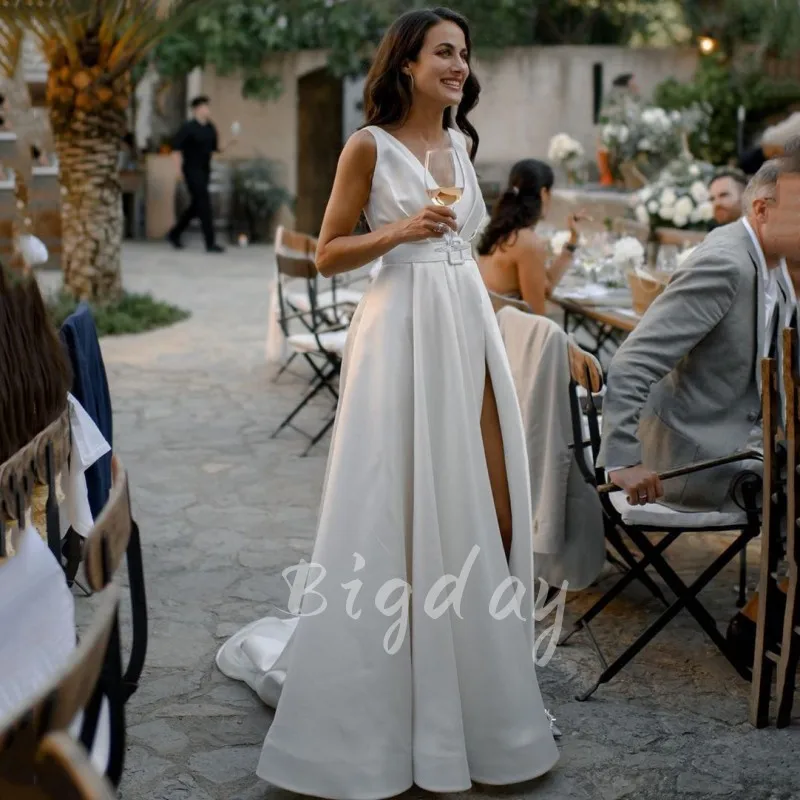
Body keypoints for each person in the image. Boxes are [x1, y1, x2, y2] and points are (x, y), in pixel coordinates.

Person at [216, 7, 559, 798]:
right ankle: (378, 704)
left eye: (465, 55)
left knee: (471, 497)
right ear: (405, 63)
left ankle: (471, 703)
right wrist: (401, 229)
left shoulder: (462, 148)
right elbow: (329, 252)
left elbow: (467, 253)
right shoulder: (366, 147)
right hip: (398, 331)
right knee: (392, 502)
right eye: (444, 52)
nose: (459, 66)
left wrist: (494, 339)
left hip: (460, 327)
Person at [599, 159, 800, 510]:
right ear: (762, 210)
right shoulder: (725, 264)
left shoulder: (771, 259)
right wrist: (623, 461)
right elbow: (632, 361)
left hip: (744, 440)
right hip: (695, 461)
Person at [477, 158, 601, 391]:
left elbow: (544, 287)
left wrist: (571, 243)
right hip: (515, 352)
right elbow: (539, 319)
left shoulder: (502, 233)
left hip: (494, 341)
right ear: (544, 194)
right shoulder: (527, 242)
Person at [167, 96, 233, 253]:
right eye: (205, 107)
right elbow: (176, 150)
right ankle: (210, 243)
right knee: (204, 205)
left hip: (205, 170)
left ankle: (174, 233)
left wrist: (230, 142)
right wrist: (177, 172)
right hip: (191, 170)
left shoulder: (210, 127)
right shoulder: (188, 128)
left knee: (197, 206)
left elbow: (216, 149)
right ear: (197, 109)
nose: (208, 110)